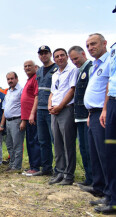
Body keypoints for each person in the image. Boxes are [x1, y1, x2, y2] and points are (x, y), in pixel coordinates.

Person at [80, 33, 112, 210]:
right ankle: (99, 188)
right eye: (88, 45)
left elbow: (109, 86)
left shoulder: (109, 62)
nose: (90, 48)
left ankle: (110, 195)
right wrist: (90, 115)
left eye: (93, 44)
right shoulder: (95, 65)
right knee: (95, 153)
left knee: (105, 155)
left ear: (104, 43)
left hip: (103, 113)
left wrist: (105, 110)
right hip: (93, 114)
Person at [47, 48, 78, 185]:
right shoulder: (55, 74)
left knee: (68, 143)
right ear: (54, 59)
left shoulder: (72, 70)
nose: (59, 58)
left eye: (62, 55)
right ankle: (59, 172)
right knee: (57, 143)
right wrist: (50, 105)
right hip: (54, 111)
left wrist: (60, 106)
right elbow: (52, 93)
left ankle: (69, 175)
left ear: (66, 57)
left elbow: (72, 90)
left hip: (65, 110)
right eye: (57, 56)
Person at [98, 18, 116, 214]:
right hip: (112, 103)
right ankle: (112, 198)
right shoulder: (114, 49)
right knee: (111, 153)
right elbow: (110, 81)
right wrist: (105, 108)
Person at [68, 46, 93, 186]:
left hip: (88, 116)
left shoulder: (90, 67)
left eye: (76, 58)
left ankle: (95, 180)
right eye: (72, 60)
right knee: (83, 149)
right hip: (79, 116)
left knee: (89, 150)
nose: (74, 62)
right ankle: (89, 178)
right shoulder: (79, 71)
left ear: (83, 54)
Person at [32, 45, 58, 177]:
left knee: (55, 140)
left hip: (52, 110)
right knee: (43, 141)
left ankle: (59, 170)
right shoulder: (39, 71)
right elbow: (37, 93)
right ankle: (46, 168)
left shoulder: (57, 68)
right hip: (40, 110)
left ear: (50, 54)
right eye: (41, 53)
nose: (43, 55)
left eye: (45, 53)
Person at [0, 72, 25, 172]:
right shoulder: (8, 92)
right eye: (8, 79)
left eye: (12, 78)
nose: (10, 81)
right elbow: (5, 109)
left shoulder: (21, 91)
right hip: (8, 122)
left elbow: (24, 106)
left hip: (17, 120)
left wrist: (23, 121)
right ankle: (12, 164)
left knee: (17, 144)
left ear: (17, 79)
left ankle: (17, 166)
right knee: (9, 144)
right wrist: (2, 123)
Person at [21, 60, 41, 176]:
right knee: (30, 142)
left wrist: (32, 114)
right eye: (25, 66)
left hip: (33, 117)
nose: (27, 68)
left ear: (35, 67)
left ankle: (36, 167)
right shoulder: (29, 80)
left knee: (34, 141)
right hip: (28, 118)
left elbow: (36, 97)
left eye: (29, 66)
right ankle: (33, 165)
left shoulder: (36, 78)